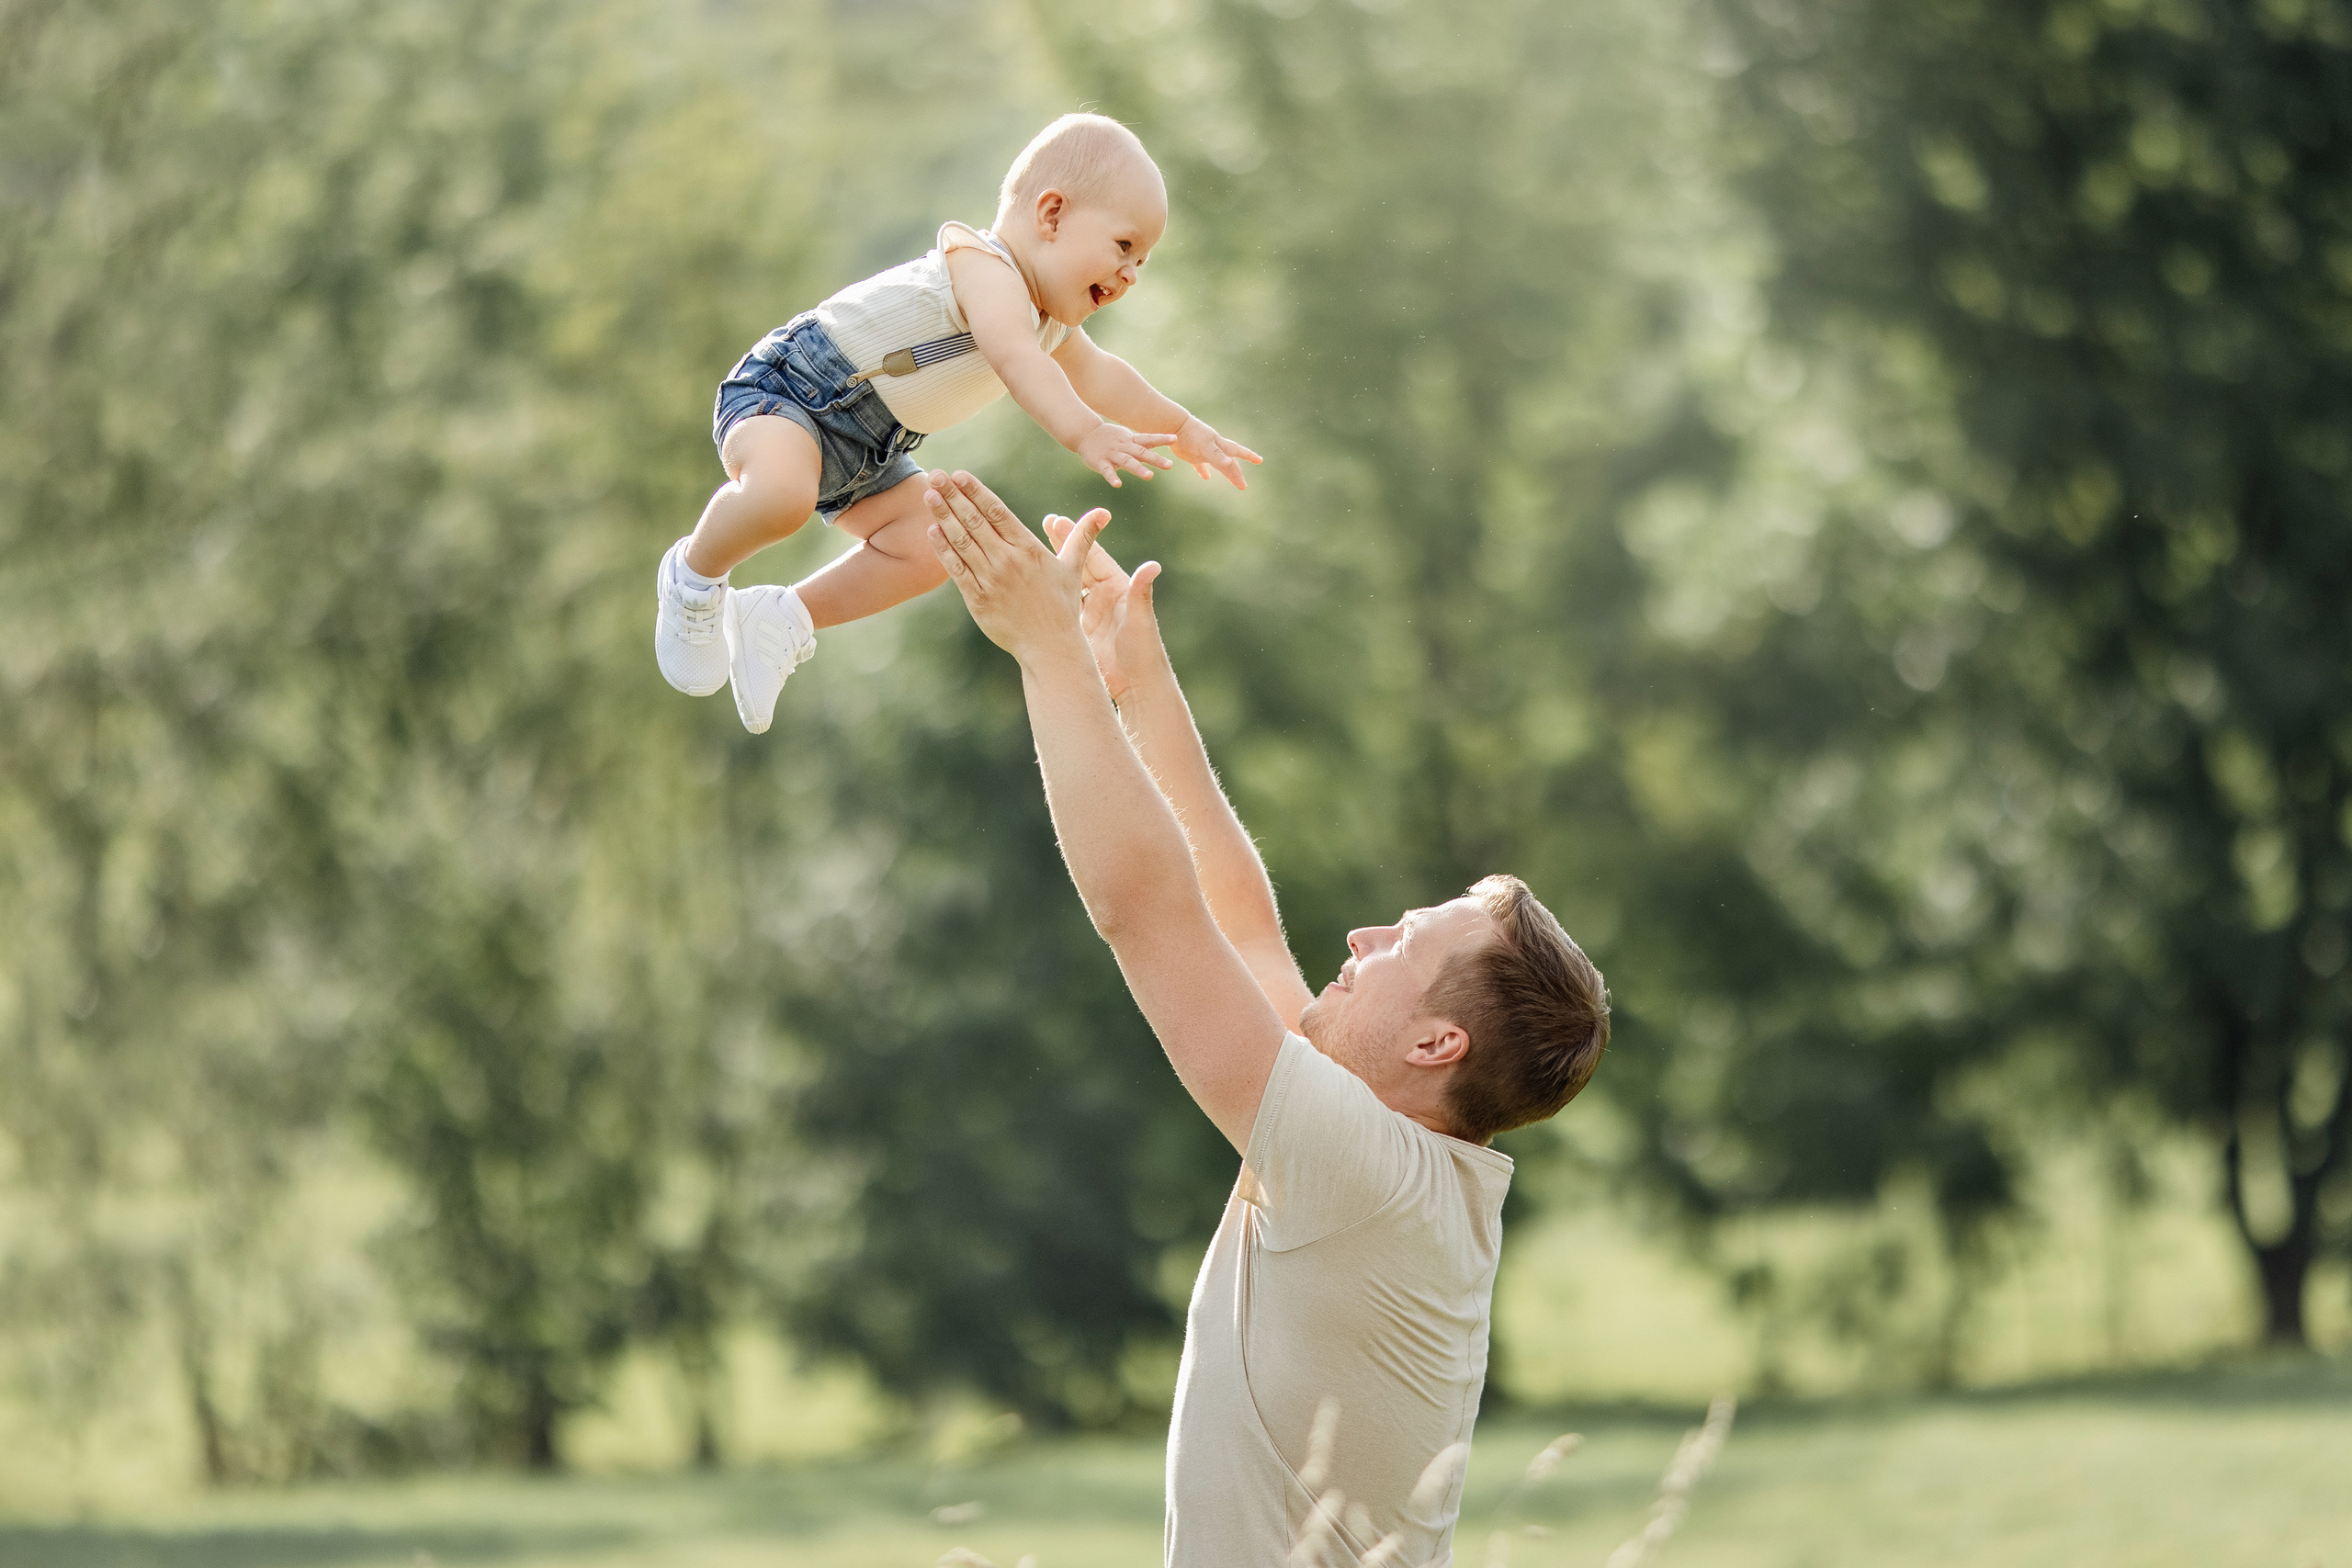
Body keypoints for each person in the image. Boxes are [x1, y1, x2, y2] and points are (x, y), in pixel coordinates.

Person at [917, 469, 1611, 1567]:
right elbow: (1237, 921)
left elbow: (1145, 914)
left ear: (1439, 1044)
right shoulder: (1389, 1154)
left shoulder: (1360, 1169)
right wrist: (1133, 682)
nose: (1359, 940)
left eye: (1401, 944)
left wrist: (1047, 655)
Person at [652, 113, 1261, 734]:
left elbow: (1104, 375)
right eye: (1124, 246)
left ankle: (781, 618)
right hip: (794, 390)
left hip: (873, 446)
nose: (1132, 272)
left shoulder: (1049, 322)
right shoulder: (984, 265)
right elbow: (1015, 358)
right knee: (783, 495)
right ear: (1051, 216)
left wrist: (1183, 427)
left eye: (1144, 261)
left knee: (937, 545)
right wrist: (1086, 432)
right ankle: (694, 578)